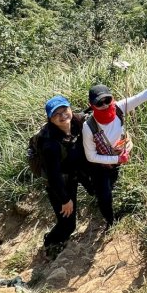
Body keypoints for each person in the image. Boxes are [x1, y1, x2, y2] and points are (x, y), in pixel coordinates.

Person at [83, 74, 147, 228]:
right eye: (99, 102)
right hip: (100, 164)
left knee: (112, 183)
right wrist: (117, 159)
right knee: (104, 195)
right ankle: (110, 221)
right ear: (91, 105)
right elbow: (90, 156)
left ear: (112, 99)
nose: (104, 105)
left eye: (107, 100)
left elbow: (142, 95)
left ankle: (100, 192)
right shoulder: (88, 126)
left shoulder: (119, 108)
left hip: (118, 156)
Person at [38, 95, 90, 258]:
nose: (62, 116)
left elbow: (94, 111)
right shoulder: (50, 144)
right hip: (60, 184)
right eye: (56, 114)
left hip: (76, 172)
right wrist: (65, 200)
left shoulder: (77, 121)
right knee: (68, 224)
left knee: (98, 189)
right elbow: (53, 177)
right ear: (50, 119)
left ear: (70, 109)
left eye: (64, 110)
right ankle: (50, 243)